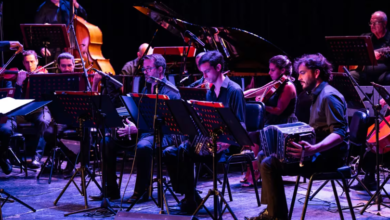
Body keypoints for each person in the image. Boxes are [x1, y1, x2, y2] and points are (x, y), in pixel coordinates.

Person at [246, 53, 348, 220]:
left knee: (269, 163)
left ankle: (276, 216)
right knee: (265, 154)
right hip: (315, 154)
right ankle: (272, 210)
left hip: (328, 158)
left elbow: (339, 133)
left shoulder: (329, 96)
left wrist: (313, 149)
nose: (298, 77)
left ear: (316, 73)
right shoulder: (315, 94)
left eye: (302, 72)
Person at [163, 50, 246, 213]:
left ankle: (190, 200)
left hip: (228, 144)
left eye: (207, 71)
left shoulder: (234, 91)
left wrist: (224, 142)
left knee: (184, 152)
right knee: (169, 152)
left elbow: (241, 126)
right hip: (213, 139)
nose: (205, 76)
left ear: (219, 67)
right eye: (202, 72)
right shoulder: (210, 91)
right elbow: (209, 122)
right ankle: (190, 195)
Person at [127, 54, 181, 203]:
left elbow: (169, 123)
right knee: (109, 140)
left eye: (149, 69)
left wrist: (138, 128)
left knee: (143, 146)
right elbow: (142, 114)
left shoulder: (171, 92)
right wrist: (132, 124)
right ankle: (109, 191)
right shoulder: (146, 87)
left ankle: (142, 192)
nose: (145, 72)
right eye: (144, 69)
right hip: (146, 131)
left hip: (165, 134)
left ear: (160, 70)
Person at [242, 55, 297, 186]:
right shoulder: (276, 84)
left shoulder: (288, 86)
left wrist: (262, 106)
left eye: (272, 70)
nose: (269, 72)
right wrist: (239, 94)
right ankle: (252, 171)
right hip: (272, 122)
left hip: (284, 125)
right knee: (251, 135)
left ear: (282, 70)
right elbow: (257, 91)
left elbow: (278, 110)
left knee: (256, 137)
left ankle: (255, 172)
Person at [350, 11, 390, 85]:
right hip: (365, 74)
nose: (372, 25)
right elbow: (353, 53)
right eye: (371, 23)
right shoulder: (365, 37)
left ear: (385, 23)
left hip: (384, 75)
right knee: (351, 75)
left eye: (376, 23)